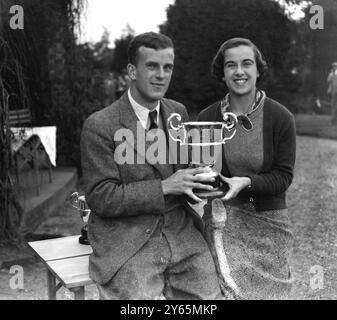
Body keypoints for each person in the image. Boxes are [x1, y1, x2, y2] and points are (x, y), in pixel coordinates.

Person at [80, 32, 222, 300]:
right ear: (132, 71)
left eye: (167, 67)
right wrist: (164, 187)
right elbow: (100, 197)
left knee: (210, 300)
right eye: (152, 66)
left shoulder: (177, 113)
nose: (161, 75)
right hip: (128, 240)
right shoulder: (100, 125)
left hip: (181, 234)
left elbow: (184, 171)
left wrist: (204, 176)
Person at [198, 38, 296, 300]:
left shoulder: (280, 117)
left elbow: (283, 177)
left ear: (257, 69)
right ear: (222, 72)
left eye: (246, 63)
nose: (239, 71)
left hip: (270, 223)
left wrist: (245, 182)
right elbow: (200, 173)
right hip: (224, 222)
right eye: (231, 65)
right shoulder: (206, 119)